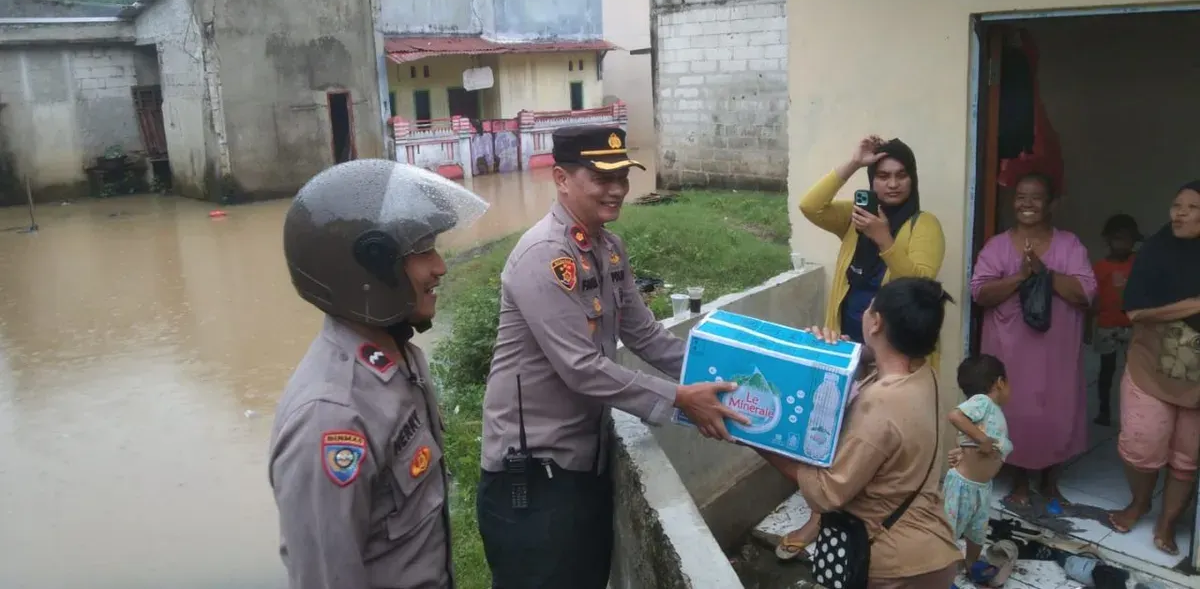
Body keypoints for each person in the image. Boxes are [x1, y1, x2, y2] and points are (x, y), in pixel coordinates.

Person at [475, 125, 748, 589]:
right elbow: (581, 368)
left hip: (583, 463)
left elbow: (646, 335)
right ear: (561, 178)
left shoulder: (607, 249)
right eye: (602, 177)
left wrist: (733, 378)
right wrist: (681, 398)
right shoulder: (545, 256)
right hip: (534, 474)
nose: (618, 188)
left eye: (622, 175)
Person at [268, 160, 489, 589]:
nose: (440, 266)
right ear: (368, 272)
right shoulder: (331, 418)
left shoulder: (400, 358)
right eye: (422, 251)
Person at [778, 135, 946, 560]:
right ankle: (820, 516)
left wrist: (885, 237)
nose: (892, 184)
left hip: (894, 356)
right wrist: (852, 161)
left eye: (901, 175)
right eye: (883, 176)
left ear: (913, 179)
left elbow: (921, 285)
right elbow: (810, 207)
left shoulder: (924, 226)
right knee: (830, 437)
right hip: (847, 349)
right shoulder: (856, 218)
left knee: (875, 450)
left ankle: (875, 521)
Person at [756, 277, 963, 589]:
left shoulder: (880, 405)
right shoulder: (924, 376)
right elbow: (876, 382)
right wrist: (831, 358)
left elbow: (826, 493)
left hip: (893, 565)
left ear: (876, 322)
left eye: (869, 308)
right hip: (931, 549)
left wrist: (752, 438)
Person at [970, 172, 1097, 509]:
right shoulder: (997, 246)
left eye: (1036, 197)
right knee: (1015, 409)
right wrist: (1020, 276)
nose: (1027, 203)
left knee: (1057, 409)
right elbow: (980, 292)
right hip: (1009, 348)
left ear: (1051, 203)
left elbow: (1086, 293)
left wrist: (1045, 271)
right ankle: (1020, 481)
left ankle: (1051, 481)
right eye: (1021, 196)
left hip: (1055, 350)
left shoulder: (1069, 245)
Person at [1107, 181, 1200, 556]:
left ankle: (1167, 522)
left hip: (1197, 380)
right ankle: (1140, 502)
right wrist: (1194, 304)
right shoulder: (1156, 252)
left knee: (1186, 458)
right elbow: (1136, 312)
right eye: (1176, 205)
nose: (1179, 213)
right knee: (1142, 444)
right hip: (1152, 367)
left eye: (1192, 207)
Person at [943, 354, 1012, 566]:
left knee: (977, 533)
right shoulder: (983, 402)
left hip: (982, 488)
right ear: (1000, 382)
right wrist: (982, 439)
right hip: (962, 487)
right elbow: (955, 416)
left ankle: (970, 565)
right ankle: (941, 575)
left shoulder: (991, 413)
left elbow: (970, 442)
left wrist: (965, 449)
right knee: (948, 534)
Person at [1089, 213, 1142, 426]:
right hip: (1106, 326)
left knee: (1135, 374)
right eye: (1117, 238)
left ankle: (1136, 414)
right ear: (1108, 240)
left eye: (1127, 239)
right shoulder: (1100, 267)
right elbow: (1093, 299)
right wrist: (1087, 325)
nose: (1122, 244)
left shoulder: (1138, 264)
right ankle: (1104, 411)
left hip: (1132, 326)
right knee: (1107, 371)